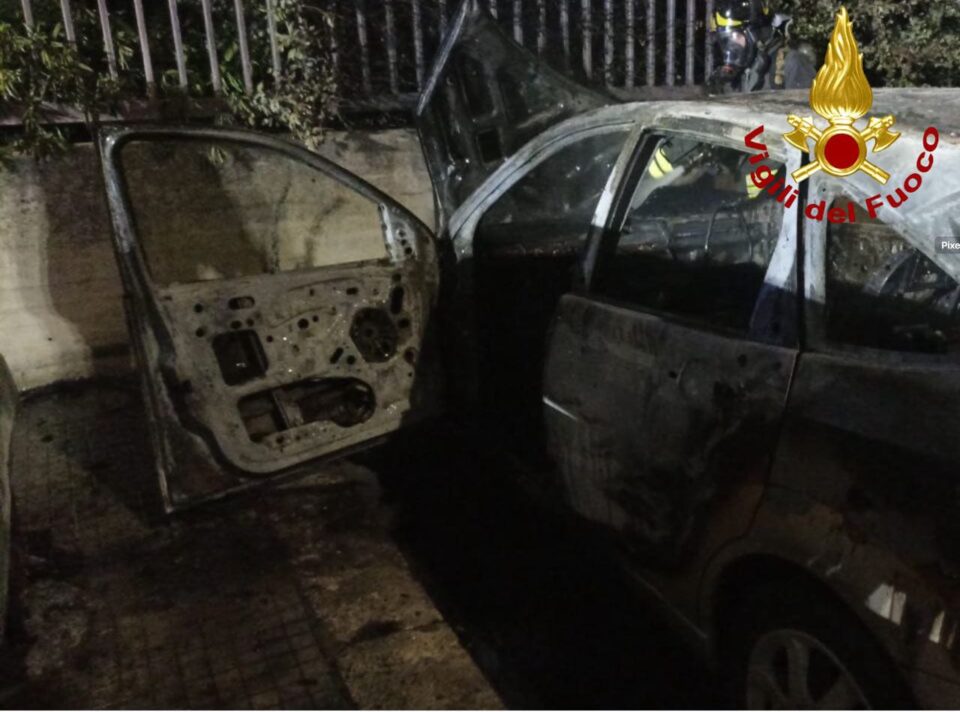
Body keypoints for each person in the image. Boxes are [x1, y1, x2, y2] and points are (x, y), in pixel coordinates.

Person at [708, 0, 816, 93]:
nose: (731, 45)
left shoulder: (792, 64)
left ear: (756, 33)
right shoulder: (737, 74)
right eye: (725, 41)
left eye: (735, 36)